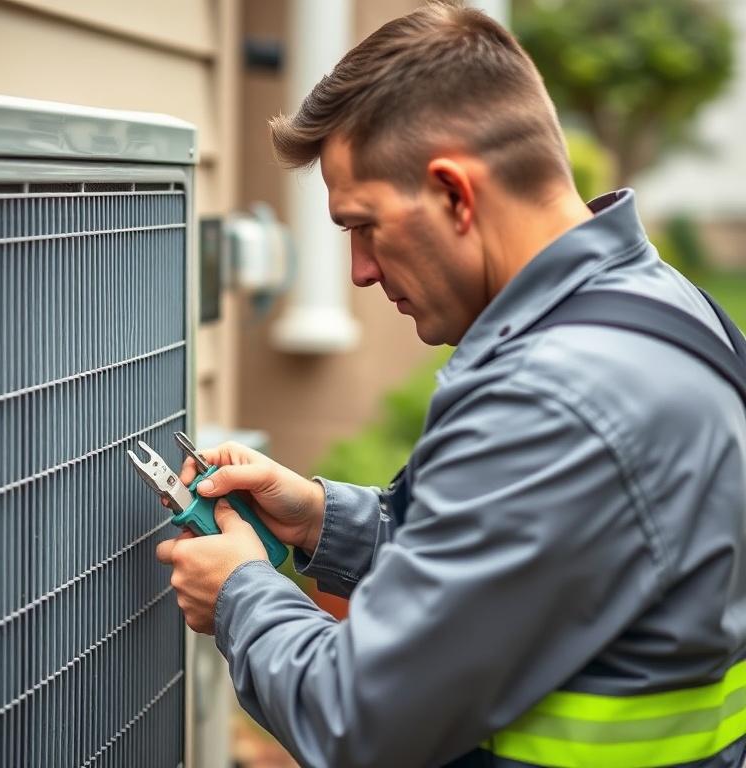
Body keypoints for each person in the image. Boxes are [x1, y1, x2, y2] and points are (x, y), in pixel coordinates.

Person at [155, 2, 746, 766]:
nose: (361, 271)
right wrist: (320, 519)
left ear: (455, 195)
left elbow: (362, 722)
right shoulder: (669, 310)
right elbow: (529, 565)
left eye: (364, 225)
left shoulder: (551, 397)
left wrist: (241, 595)